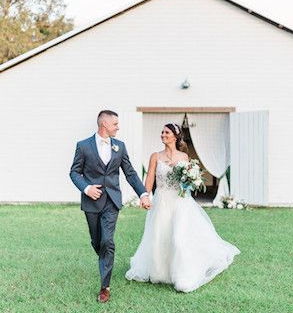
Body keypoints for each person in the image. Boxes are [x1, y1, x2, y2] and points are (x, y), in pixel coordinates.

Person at [125, 123, 240, 292]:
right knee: (160, 236)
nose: (163, 135)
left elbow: (186, 182)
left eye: (166, 132)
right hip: (162, 201)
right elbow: (150, 177)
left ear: (175, 136)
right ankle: (160, 273)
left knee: (178, 239)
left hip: (180, 203)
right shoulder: (155, 156)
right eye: (162, 132)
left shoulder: (184, 158)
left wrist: (191, 181)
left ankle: (182, 276)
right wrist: (145, 196)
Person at [70, 110, 151, 303]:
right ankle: (104, 258)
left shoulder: (120, 147)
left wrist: (143, 193)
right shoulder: (83, 146)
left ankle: (105, 287)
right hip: (91, 202)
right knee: (97, 241)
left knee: (107, 241)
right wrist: (87, 188)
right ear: (104, 124)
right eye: (115, 124)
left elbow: (130, 173)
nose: (118, 127)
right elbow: (74, 172)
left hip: (112, 202)